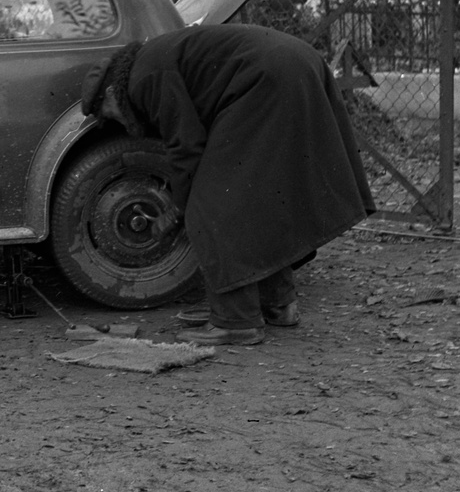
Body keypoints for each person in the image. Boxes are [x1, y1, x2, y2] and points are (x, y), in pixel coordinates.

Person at [80, 24, 375, 345]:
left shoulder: (142, 80)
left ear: (110, 93)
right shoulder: (150, 61)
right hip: (291, 63)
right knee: (256, 199)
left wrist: (177, 208)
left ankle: (237, 321)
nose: (115, 123)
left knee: (214, 205)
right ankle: (277, 304)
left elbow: (187, 146)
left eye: (106, 114)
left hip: (270, 76)